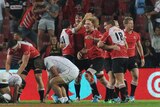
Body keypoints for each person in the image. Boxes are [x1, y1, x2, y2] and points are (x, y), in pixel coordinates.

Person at [98, 20, 129, 103]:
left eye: (105, 26)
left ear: (110, 25)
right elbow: (126, 45)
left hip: (115, 57)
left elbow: (99, 45)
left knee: (116, 80)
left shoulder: (109, 33)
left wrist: (111, 47)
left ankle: (121, 98)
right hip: (118, 57)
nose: (104, 28)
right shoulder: (121, 32)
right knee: (113, 79)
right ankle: (110, 98)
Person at [123, 17, 145, 102]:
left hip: (132, 58)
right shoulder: (121, 34)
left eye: (132, 23)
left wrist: (142, 58)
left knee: (136, 76)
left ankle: (132, 95)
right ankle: (125, 94)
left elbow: (139, 46)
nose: (132, 25)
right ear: (125, 24)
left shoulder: (136, 35)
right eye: (130, 23)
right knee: (122, 78)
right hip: (122, 58)